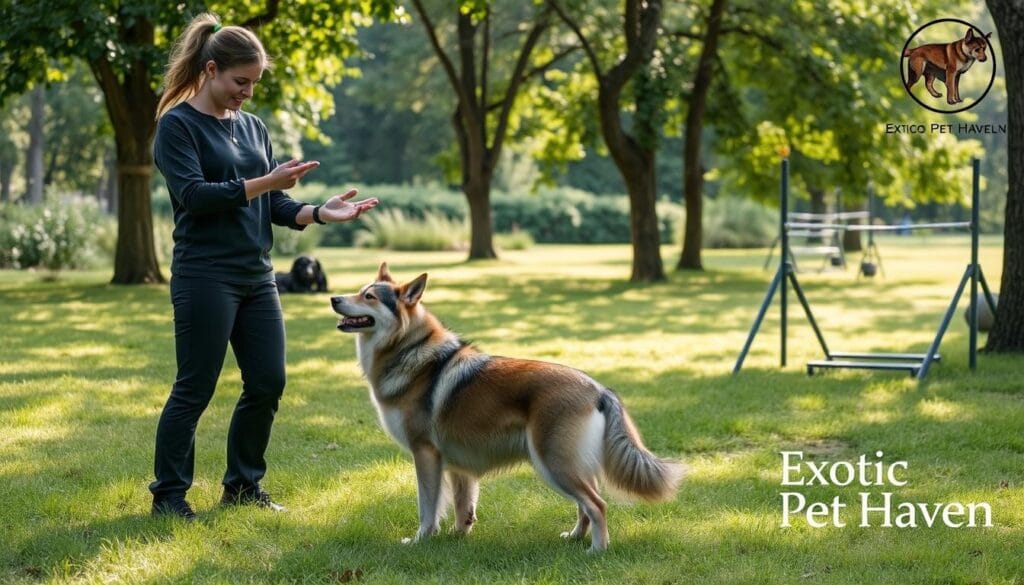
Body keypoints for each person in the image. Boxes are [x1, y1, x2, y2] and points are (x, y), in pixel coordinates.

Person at [149, 13, 378, 520]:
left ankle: (243, 485)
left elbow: (270, 205)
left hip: (257, 276)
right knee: (196, 385)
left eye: (253, 83)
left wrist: (318, 212)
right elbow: (195, 196)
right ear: (210, 70)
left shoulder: (252, 126)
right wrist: (266, 183)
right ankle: (168, 495)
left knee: (268, 382)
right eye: (239, 81)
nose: (247, 93)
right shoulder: (177, 125)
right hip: (205, 273)